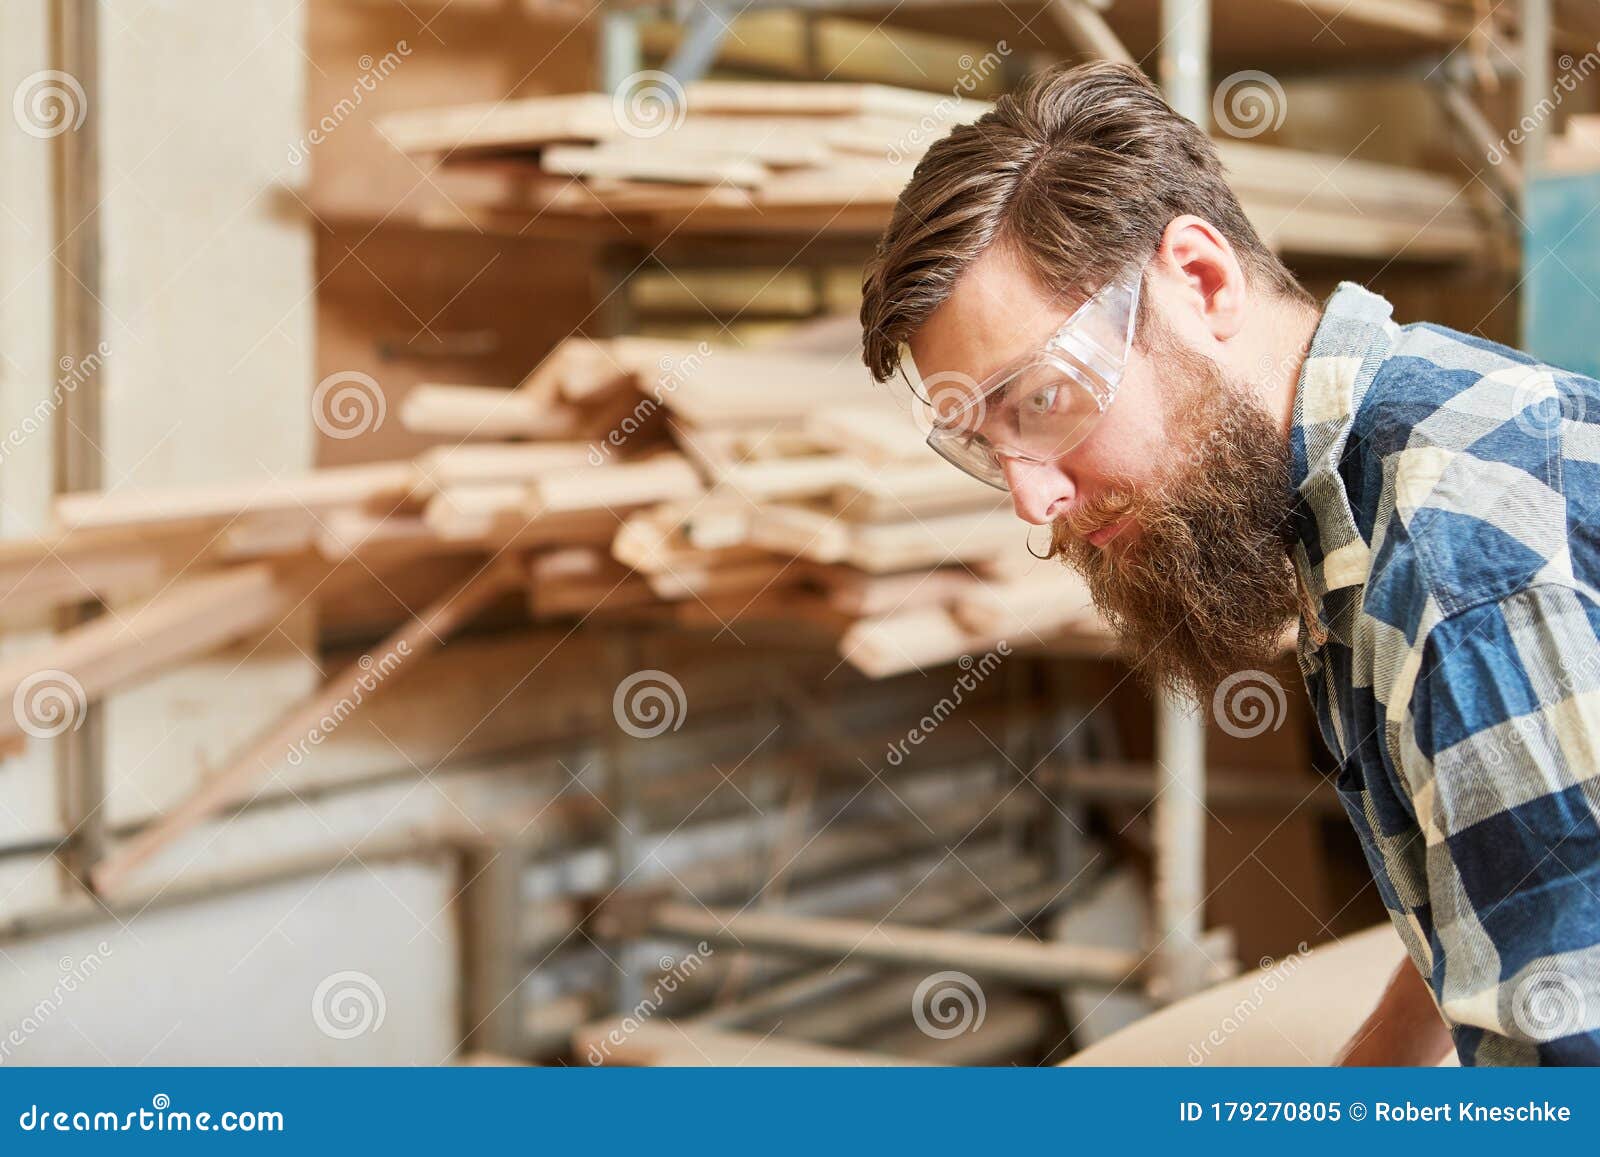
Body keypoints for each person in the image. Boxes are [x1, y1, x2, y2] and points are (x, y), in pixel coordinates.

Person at [859, 59, 1600, 1066]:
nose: (1032, 500)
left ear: (1202, 281)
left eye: (1041, 400)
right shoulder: (1368, 463)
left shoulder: (1450, 565)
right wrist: (1374, 1066)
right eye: (987, 447)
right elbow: (1495, 864)